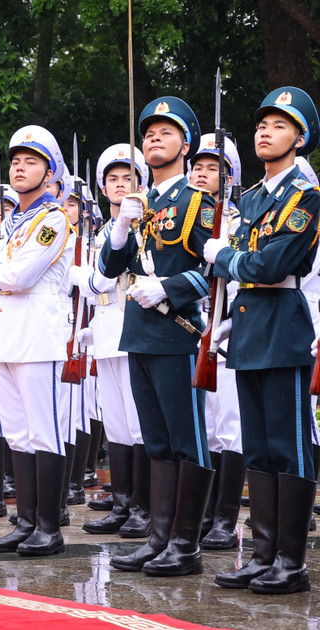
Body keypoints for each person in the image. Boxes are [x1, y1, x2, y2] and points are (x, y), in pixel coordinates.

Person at [208, 87, 320, 594]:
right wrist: (229, 314)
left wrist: (224, 258)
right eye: (261, 124)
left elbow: (273, 264)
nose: (265, 132)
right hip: (251, 327)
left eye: (278, 125)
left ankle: (291, 563)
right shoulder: (252, 198)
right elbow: (251, 264)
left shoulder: (307, 198)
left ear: (300, 139)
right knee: (257, 448)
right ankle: (262, 553)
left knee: (288, 448)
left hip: (285, 326)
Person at [100, 96, 216, 577]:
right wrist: (122, 228)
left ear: (185, 144)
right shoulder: (140, 205)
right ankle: (159, 537)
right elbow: (108, 270)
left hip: (177, 333)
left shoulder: (198, 202)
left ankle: (185, 546)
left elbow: (213, 273)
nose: (153, 138)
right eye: (149, 132)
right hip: (140, 335)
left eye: (165, 132)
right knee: (156, 442)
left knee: (187, 441)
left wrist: (165, 287)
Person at [0, 125, 72, 556]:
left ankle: (49, 527)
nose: (20, 167)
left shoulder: (52, 219)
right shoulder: (10, 221)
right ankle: (27, 520)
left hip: (37, 335)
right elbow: (5, 276)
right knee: (16, 433)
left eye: (31, 161)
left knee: (44, 432)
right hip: (4, 337)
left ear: (50, 172)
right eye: (15, 161)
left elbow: (17, 276)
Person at [76, 144, 150, 538]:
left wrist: (88, 283)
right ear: (103, 189)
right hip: (105, 329)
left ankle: (143, 508)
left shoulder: (146, 224)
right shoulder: (102, 231)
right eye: (113, 180)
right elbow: (94, 285)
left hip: (133, 327)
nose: (121, 187)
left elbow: (98, 280)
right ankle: (121, 503)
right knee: (116, 424)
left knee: (139, 424)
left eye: (129, 180)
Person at [188, 133, 246, 550]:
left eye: (213, 168)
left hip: (225, 335)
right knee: (204, 430)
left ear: (229, 179)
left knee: (230, 427)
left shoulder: (239, 222)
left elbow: (244, 277)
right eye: (198, 166)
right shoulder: (181, 217)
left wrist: (223, 324)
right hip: (189, 333)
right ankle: (204, 514)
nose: (202, 174)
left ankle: (225, 518)